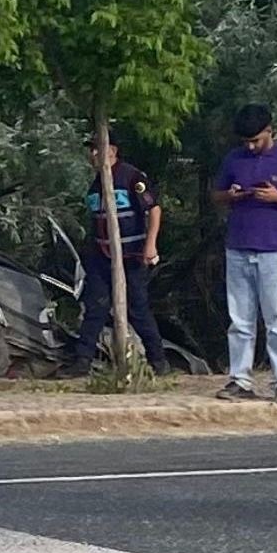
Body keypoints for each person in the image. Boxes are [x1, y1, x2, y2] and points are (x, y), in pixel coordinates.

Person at [62, 134, 169, 377]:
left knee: (137, 309)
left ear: (113, 149)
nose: (93, 155)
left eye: (98, 149)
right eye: (91, 150)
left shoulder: (131, 177)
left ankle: (159, 361)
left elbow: (154, 209)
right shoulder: (96, 183)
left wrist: (150, 246)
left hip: (131, 256)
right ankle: (82, 362)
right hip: (102, 256)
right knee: (95, 308)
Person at [213, 103, 277, 404]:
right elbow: (216, 195)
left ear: (270, 131)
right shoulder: (234, 159)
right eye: (246, 141)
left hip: (275, 248)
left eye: (256, 140)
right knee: (240, 319)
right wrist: (230, 195)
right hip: (239, 246)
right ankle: (239, 379)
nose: (251, 146)